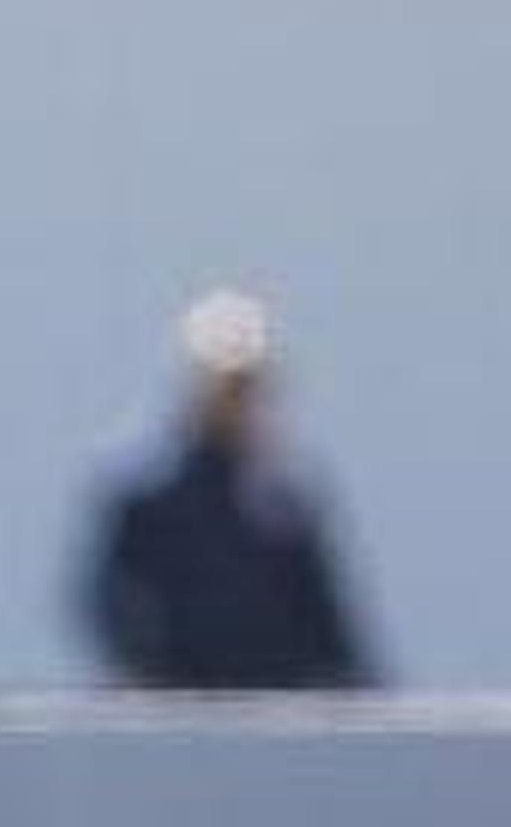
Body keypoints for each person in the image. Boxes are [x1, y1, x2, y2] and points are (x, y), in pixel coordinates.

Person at [82, 288, 374, 690]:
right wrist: (156, 678)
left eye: (246, 388)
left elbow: (328, 628)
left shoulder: (284, 510)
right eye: (225, 387)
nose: (237, 402)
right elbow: (112, 608)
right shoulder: (148, 504)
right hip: (179, 721)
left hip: (278, 718)